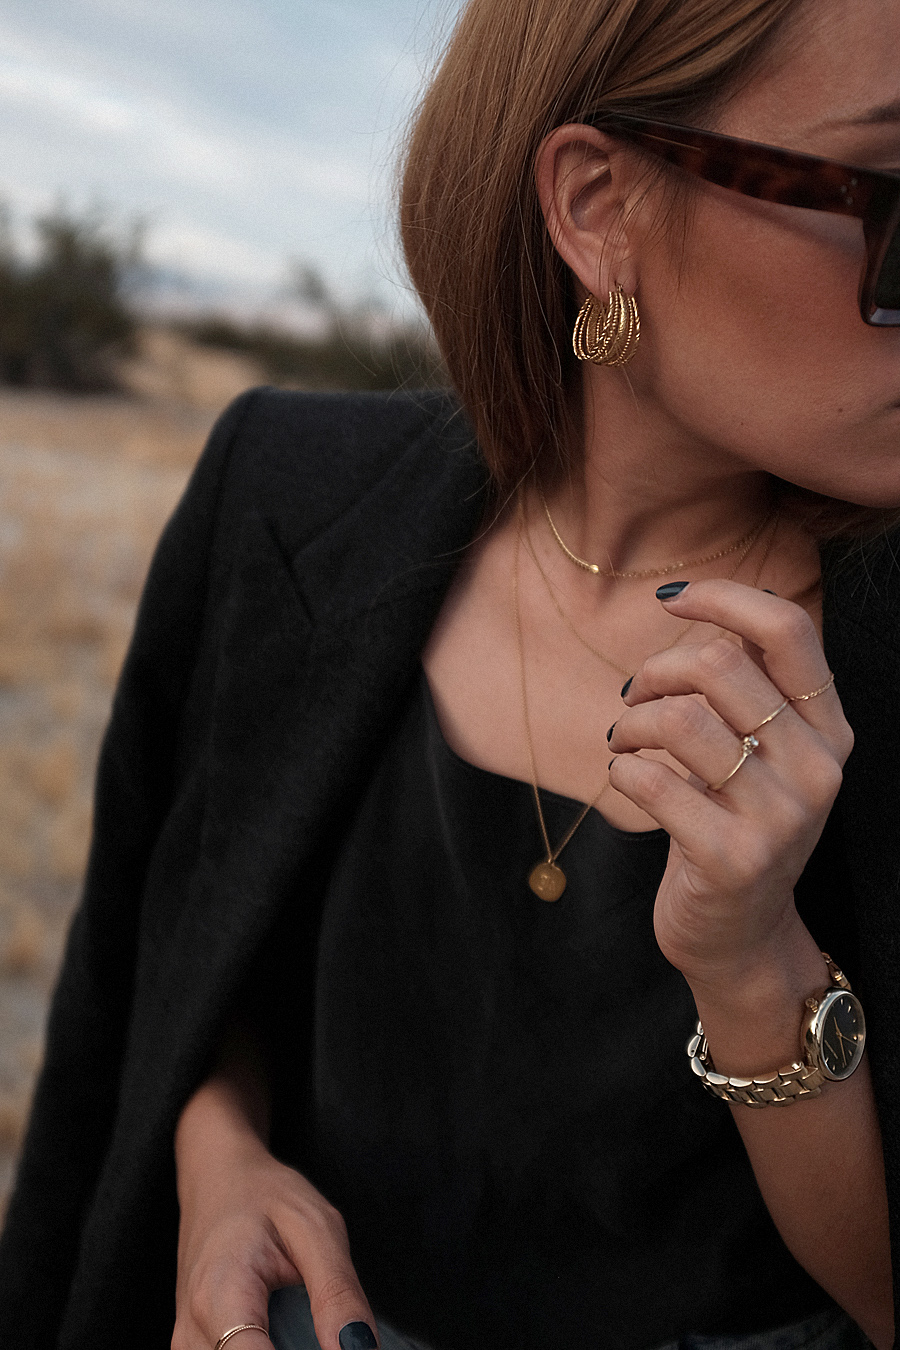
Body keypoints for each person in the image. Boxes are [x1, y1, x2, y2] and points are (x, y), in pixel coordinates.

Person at [1, 0, 899, 1346]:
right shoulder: (287, 500)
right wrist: (218, 1159)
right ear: (599, 207)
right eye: (892, 202)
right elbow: (178, 959)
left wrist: (762, 972)